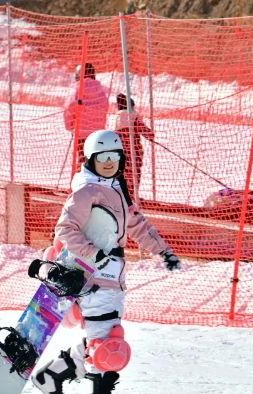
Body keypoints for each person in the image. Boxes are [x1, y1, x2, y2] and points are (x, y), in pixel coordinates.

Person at [32, 130, 181, 394]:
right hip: (93, 278)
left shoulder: (117, 190)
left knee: (104, 340)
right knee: (106, 347)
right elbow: (65, 229)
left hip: (113, 279)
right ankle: (85, 384)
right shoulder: (87, 191)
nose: (109, 162)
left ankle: (52, 375)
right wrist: (94, 254)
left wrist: (164, 251)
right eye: (103, 157)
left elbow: (137, 225)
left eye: (115, 156)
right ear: (91, 159)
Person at [63, 63, 108, 166]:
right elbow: (104, 107)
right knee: (95, 160)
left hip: (82, 132)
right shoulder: (100, 90)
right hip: (97, 133)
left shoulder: (78, 89)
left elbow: (69, 108)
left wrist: (70, 125)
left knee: (83, 159)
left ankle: (82, 180)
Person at [115, 93, 154, 202]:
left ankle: (120, 194)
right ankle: (132, 194)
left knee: (121, 172)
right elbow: (143, 129)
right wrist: (151, 135)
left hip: (120, 149)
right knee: (134, 173)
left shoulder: (117, 116)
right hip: (134, 150)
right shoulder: (134, 114)